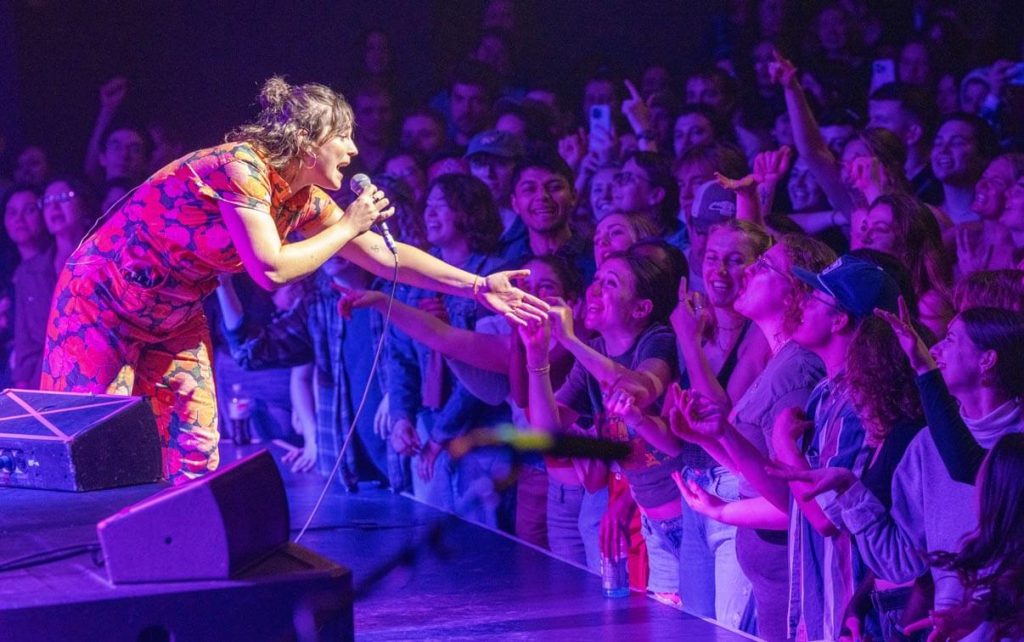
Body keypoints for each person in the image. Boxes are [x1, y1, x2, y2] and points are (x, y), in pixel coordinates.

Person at [38, 77, 547, 483]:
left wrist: (479, 287)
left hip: (171, 314)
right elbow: (272, 268)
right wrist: (349, 224)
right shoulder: (239, 167)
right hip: (102, 301)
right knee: (95, 443)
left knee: (193, 444)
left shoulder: (302, 199)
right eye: (341, 136)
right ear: (306, 140)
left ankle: (186, 574)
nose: (352, 150)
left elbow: (382, 255)